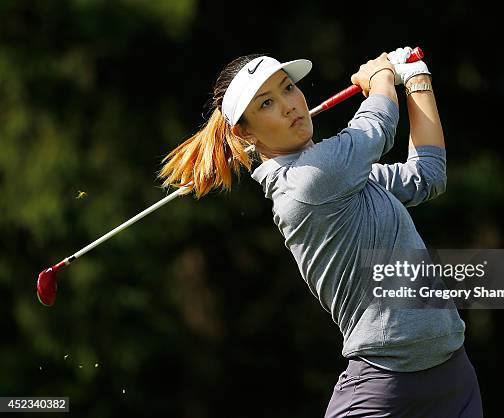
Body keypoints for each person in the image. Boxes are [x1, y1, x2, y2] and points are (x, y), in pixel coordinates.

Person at [158, 47, 483, 417]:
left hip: (454, 376)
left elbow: (426, 176)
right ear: (244, 132)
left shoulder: (347, 177)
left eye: (287, 88)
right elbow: (376, 127)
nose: (289, 105)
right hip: (384, 387)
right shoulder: (307, 183)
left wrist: (416, 79)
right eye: (266, 104)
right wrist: (378, 76)